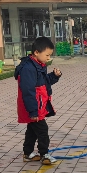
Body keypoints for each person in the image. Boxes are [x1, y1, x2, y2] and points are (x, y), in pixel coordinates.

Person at [15, 36, 62, 165]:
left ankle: (28, 153)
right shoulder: (28, 69)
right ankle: (44, 154)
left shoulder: (39, 65)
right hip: (33, 107)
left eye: (50, 55)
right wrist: (33, 111)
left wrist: (54, 76)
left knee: (32, 130)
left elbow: (44, 82)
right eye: (47, 55)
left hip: (38, 106)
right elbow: (28, 91)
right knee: (42, 130)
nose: (48, 58)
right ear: (36, 52)